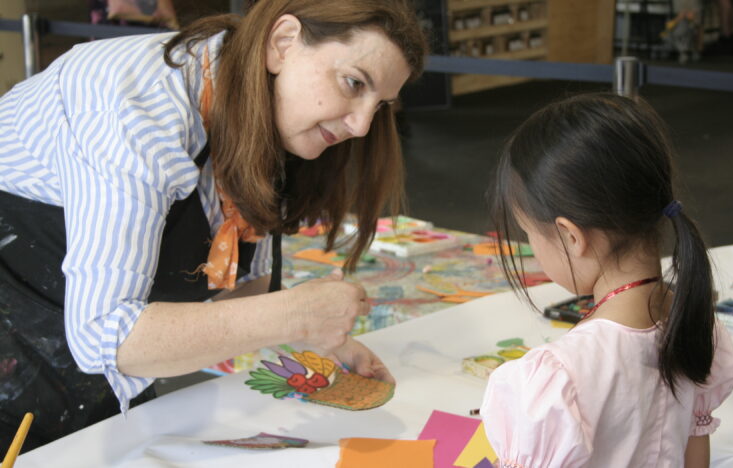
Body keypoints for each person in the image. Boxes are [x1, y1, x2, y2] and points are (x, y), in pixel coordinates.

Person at [0, 0, 427, 450]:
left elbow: (246, 286)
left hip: (87, 357)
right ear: (282, 43)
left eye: (380, 105)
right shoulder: (135, 109)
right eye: (353, 83)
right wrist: (297, 316)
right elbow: (104, 334)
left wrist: (320, 341)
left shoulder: (266, 105)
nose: (361, 126)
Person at [482, 93, 733, 467]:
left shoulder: (560, 377)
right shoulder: (697, 324)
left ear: (571, 236)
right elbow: (695, 454)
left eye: (528, 233)